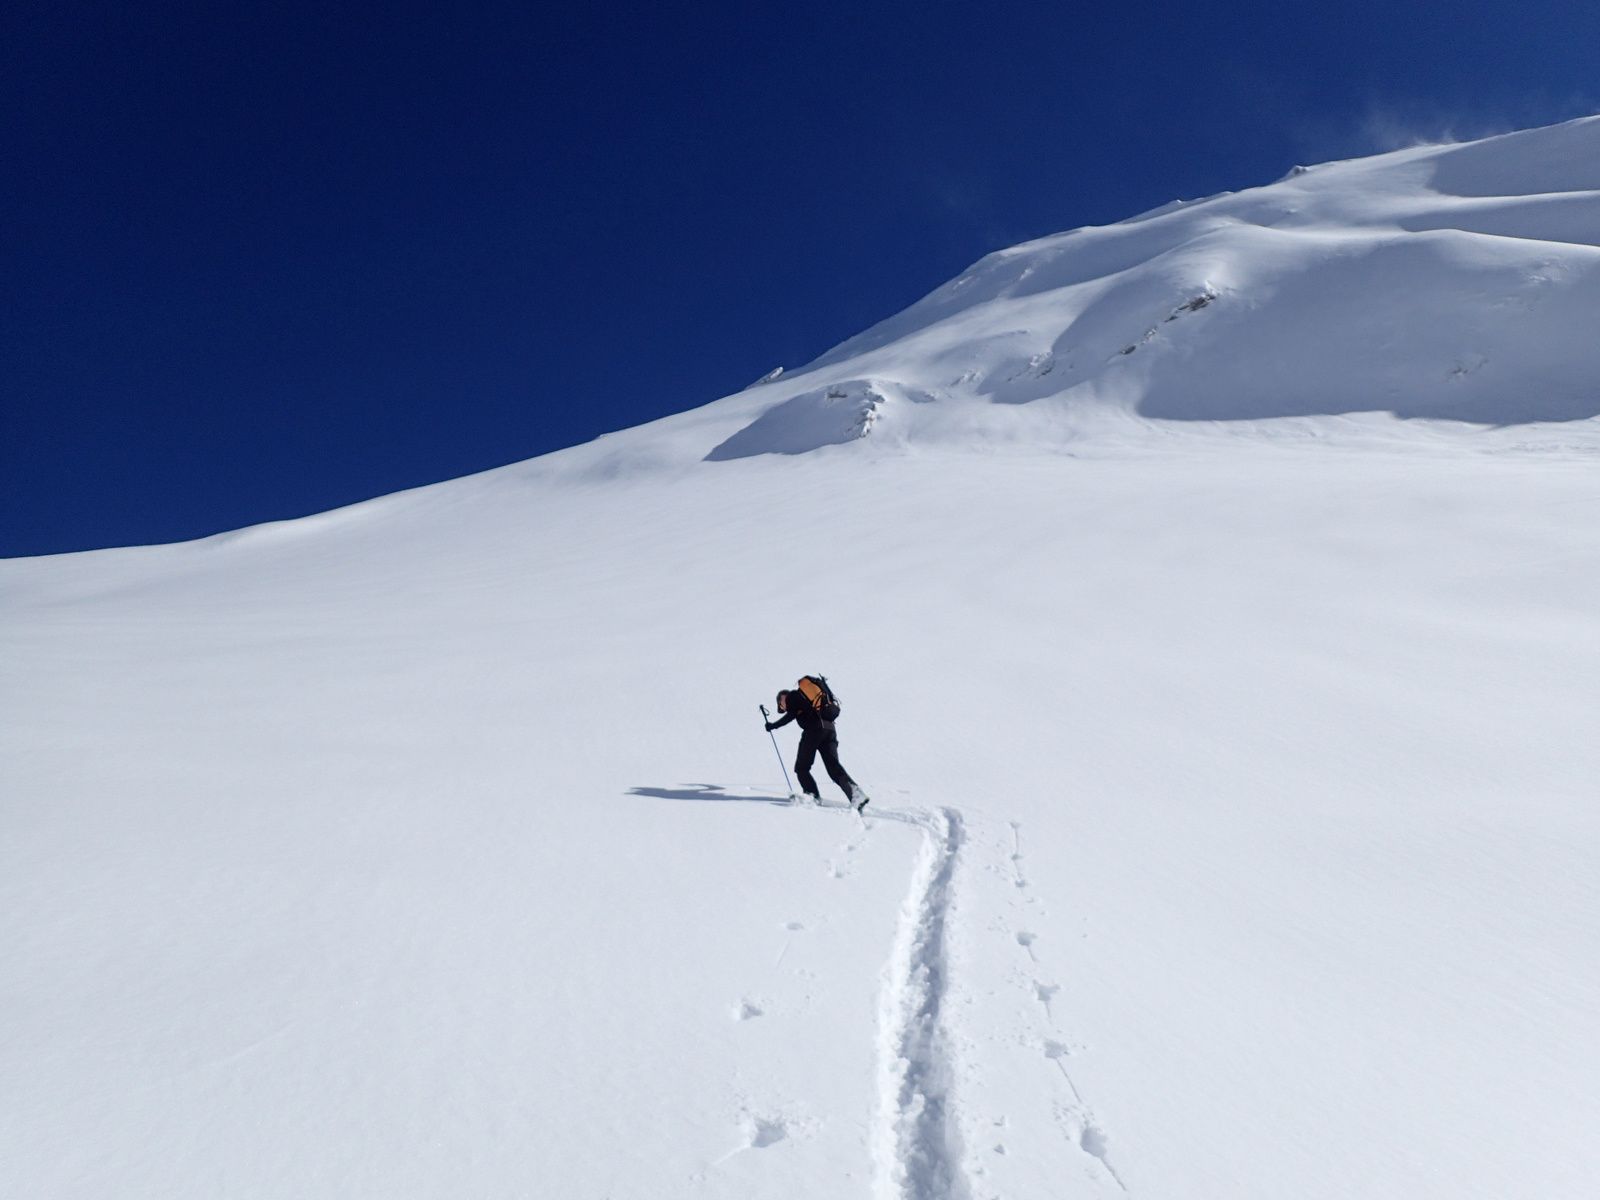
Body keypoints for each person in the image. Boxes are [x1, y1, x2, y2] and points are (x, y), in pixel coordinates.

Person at [765, 683, 868, 810]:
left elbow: (790, 716)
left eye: (781, 705)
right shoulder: (806, 699)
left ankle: (812, 797)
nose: (783, 707)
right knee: (833, 767)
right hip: (830, 729)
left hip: (814, 730)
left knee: (801, 768)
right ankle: (856, 795)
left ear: (782, 698)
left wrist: (773, 725)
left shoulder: (792, 696)